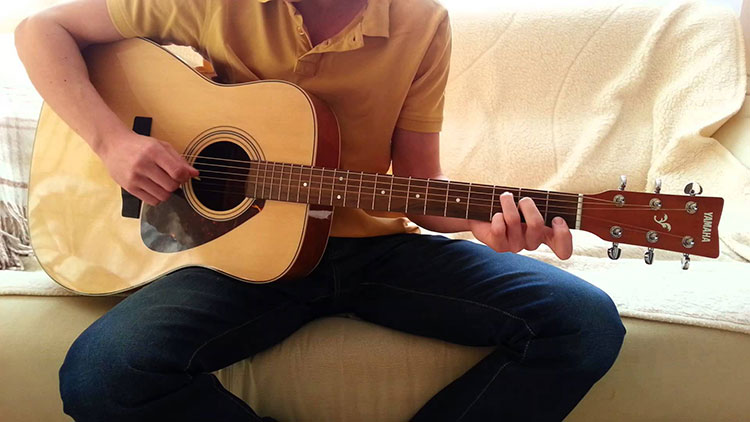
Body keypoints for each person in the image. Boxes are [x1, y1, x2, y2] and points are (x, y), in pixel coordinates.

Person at [15, 0, 626, 420]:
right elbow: (41, 30)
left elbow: (420, 183)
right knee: (102, 375)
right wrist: (112, 141)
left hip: (374, 249)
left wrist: (480, 222)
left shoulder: (420, 20)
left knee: (583, 323)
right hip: (238, 258)